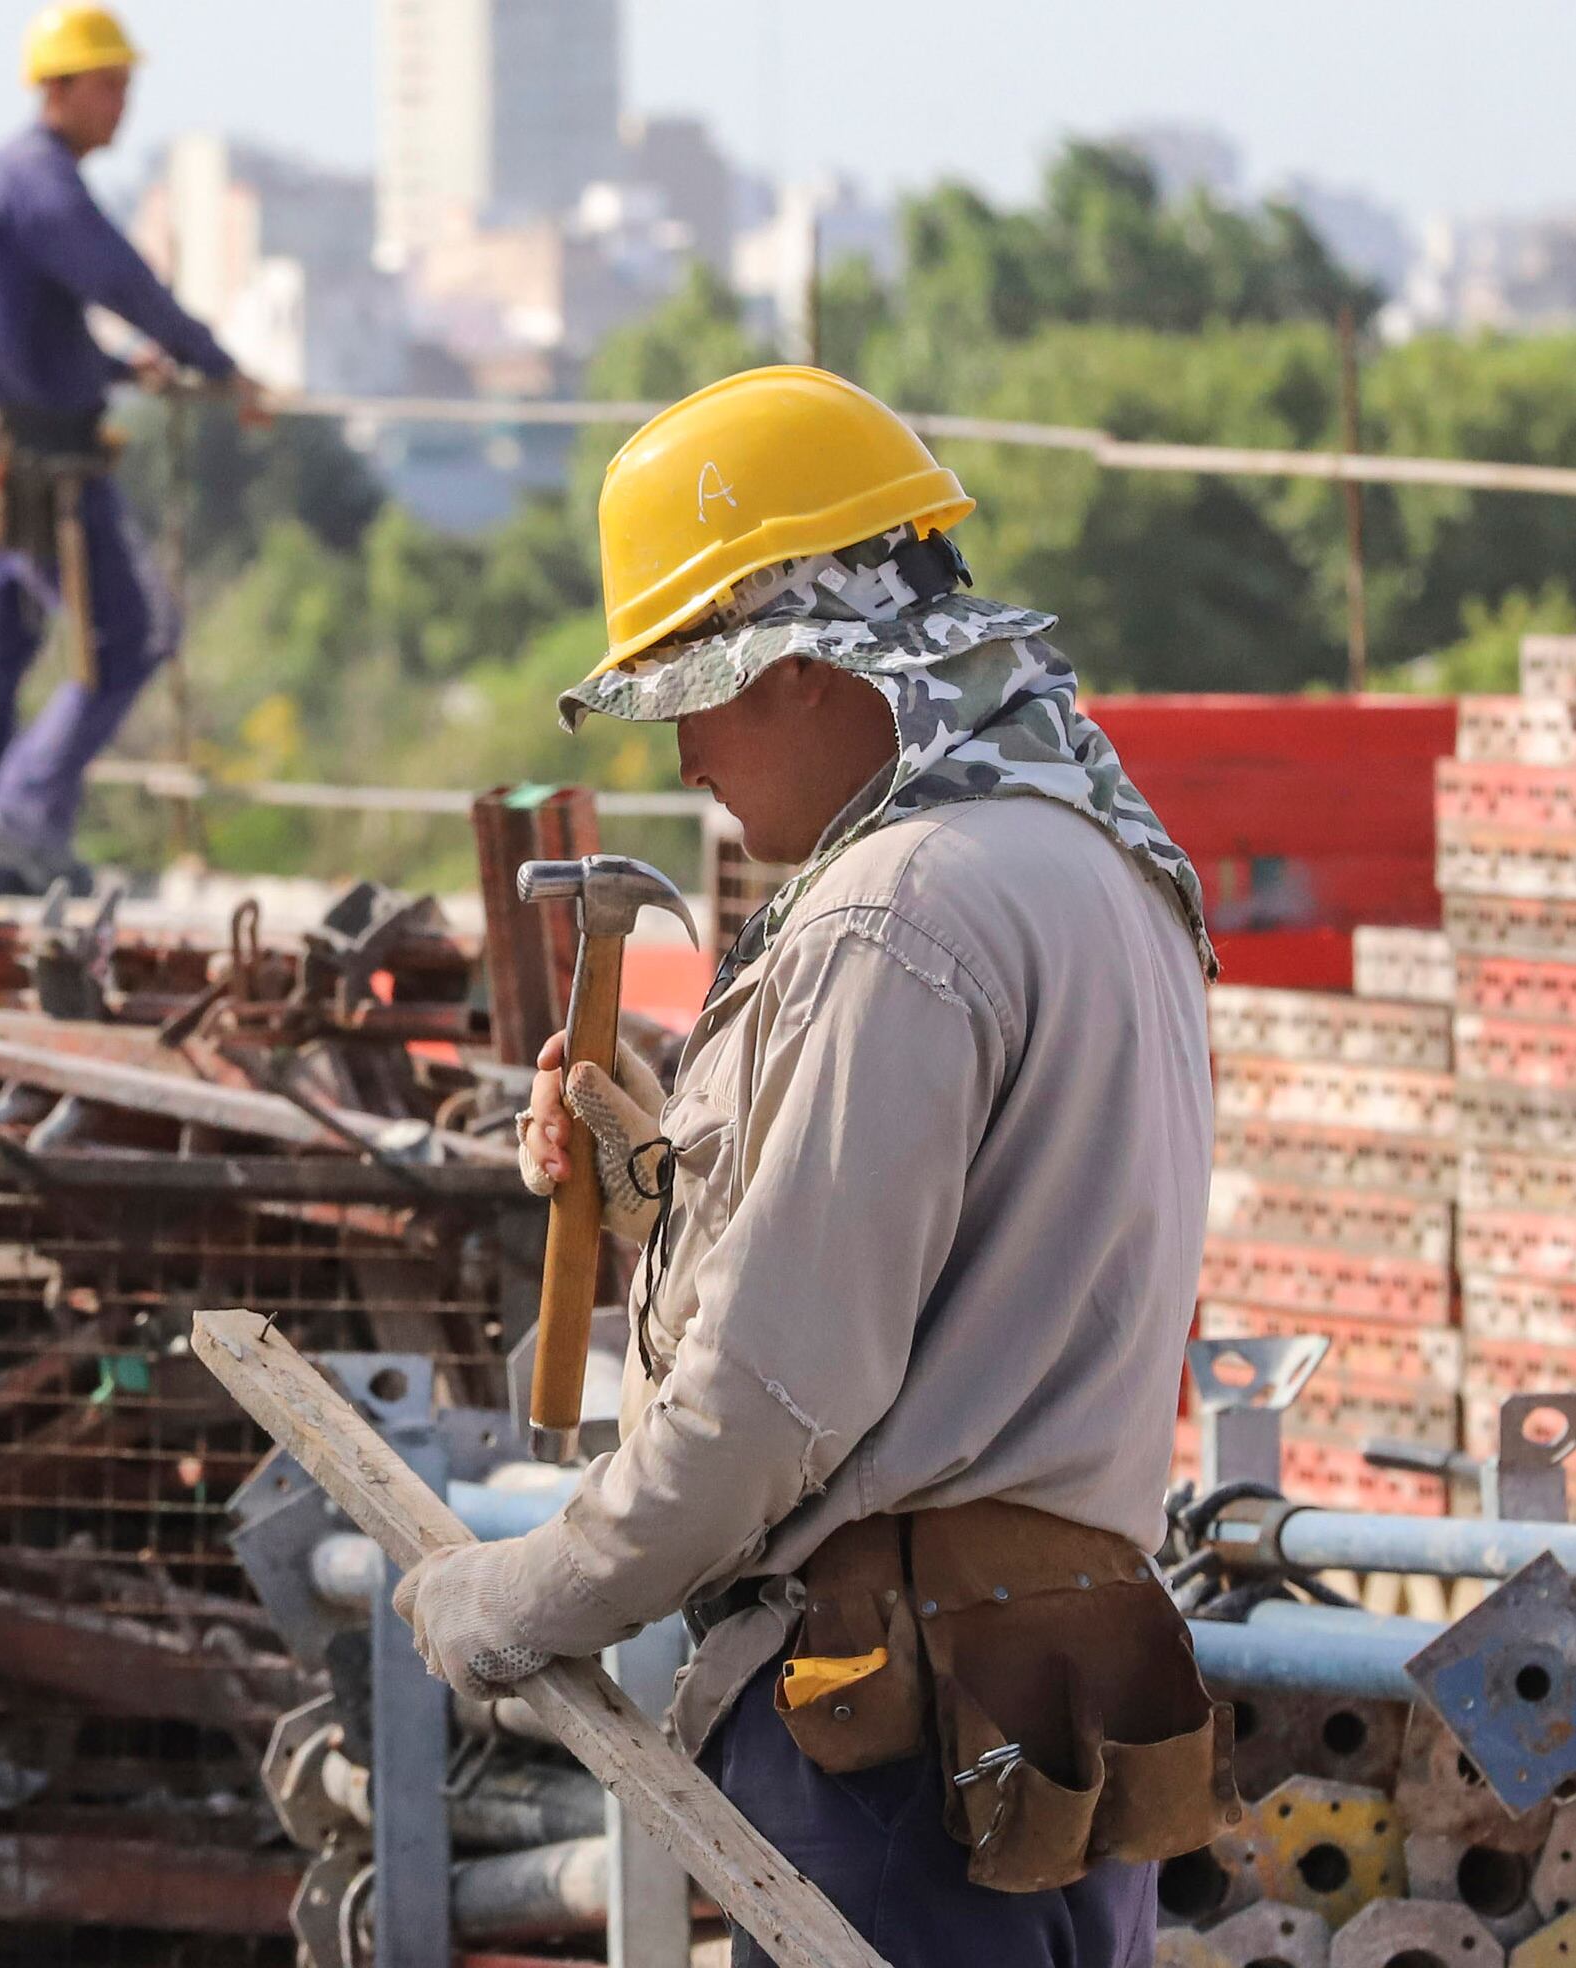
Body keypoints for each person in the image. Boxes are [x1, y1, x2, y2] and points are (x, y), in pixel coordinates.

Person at [396, 367, 1232, 1965]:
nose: (690, 755)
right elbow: (973, 1283)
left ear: (801, 660)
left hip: (892, 1747)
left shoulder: (892, 917)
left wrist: (514, 1600)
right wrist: (667, 1180)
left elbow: (763, 1411)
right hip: (1053, 1714)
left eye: (696, 690)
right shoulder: (1091, 865)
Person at [0, 2, 266, 894]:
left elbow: (20, 328)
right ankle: (24, 814)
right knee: (131, 633)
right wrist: (218, 366)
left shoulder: (3, 178)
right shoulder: (42, 182)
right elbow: (122, 280)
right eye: (108, 85)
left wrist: (112, 372)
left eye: (125, 85)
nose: (121, 104)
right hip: (39, 458)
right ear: (58, 89)